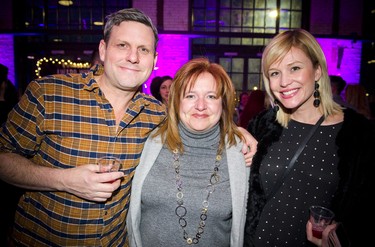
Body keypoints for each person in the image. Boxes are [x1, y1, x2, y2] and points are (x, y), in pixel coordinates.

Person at [0, 9, 257, 246]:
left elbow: (198, 118)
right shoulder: (48, 93)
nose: (133, 57)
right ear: (103, 49)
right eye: (122, 45)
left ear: (154, 59)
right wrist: (63, 180)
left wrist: (236, 133)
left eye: (143, 50)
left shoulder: (156, 114)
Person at [244, 29, 374, 247]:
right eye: (275, 73)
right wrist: (236, 133)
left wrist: (340, 239)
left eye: (294, 68)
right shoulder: (262, 125)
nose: (284, 82)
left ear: (317, 71)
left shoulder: (358, 134)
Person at [127, 57, 250, 247]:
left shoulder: (242, 155)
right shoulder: (148, 142)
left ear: (223, 103)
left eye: (211, 96)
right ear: (176, 101)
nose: (200, 106)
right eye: (190, 96)